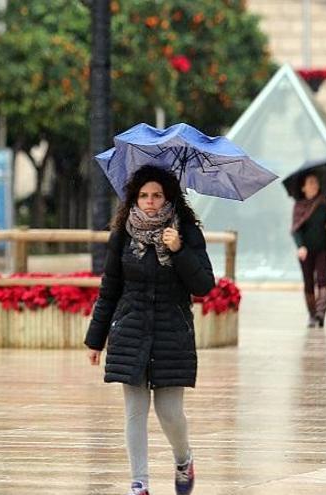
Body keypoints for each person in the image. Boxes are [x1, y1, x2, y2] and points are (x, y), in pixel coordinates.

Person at [84, 166, 215, 495]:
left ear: (168, 197)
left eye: (157, 195)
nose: (151, 202)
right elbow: (110, 287)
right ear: (134, 199)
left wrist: (179, 251)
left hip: (172, 332)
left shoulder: (185, 231)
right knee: (134, 411)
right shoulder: (124, 233)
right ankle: (139, 483)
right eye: (144, 195)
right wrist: (95, 339)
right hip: (130, 329)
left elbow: (204, 286)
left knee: (169, 412)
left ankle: (184, 459)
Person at [291, 173, 326, 328]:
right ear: (303, 187)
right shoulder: (299, 205)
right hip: (306, 251)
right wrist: (300, 246)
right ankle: (312, 315)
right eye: (311, 182)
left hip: (324, 249)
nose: (314, 185)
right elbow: (295, 229)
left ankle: (320, 314)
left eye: (316, 182)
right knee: (308, 283)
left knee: (322, 280)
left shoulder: (323, 202)